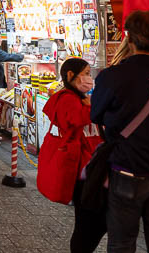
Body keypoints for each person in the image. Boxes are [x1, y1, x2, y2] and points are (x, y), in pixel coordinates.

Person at [91, 10, 149, 253]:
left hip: (126, 170)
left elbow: (96, 116)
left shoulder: (113, 76)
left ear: (129, 39)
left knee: (122, 243)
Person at [38, 57, 105, 253]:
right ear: (70, 75)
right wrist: (95, 105)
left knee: (89, 222)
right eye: (85, 74)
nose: (89, 78)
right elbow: (75, 120)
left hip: (87, 165)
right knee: (88, 223)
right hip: (82, 169)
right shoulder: (67, 98)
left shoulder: (77, 98)